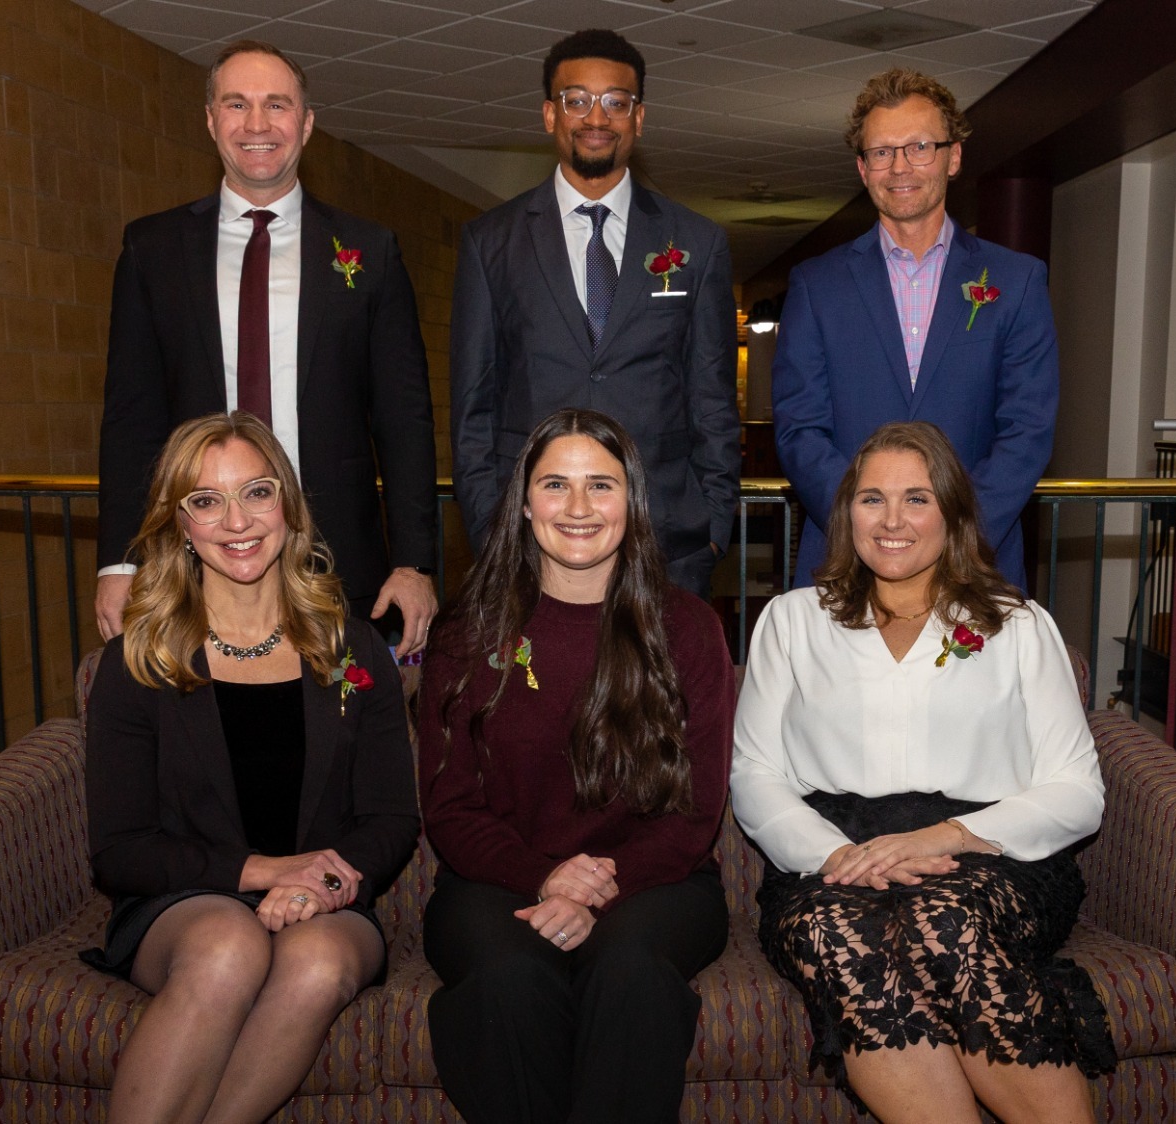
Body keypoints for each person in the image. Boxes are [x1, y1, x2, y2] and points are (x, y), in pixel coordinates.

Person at [730, 421, 1114, 1124]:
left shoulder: (1019, 625)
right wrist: (834, 854)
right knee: (840, 933)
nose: (893, 520)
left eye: (918, 498)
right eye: (872, 498)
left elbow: (1076, 790)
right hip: (833, 856)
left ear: (955, 514)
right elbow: (755, 771)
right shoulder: (791, 621)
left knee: (943, 919)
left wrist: (947, 836)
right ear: (847, 513)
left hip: (986, 853)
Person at [81, 412, 419, 1124]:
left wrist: (319, 883)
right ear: (180, 525)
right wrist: (266, 872)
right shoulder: (136, 663)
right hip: (182, 904)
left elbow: (391, 821)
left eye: (257, 493)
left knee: (318, 961)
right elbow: (121, 852)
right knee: (229, 945)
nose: (236, 520)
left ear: (289, 507)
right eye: (205, 501)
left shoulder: (353, 650)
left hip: (327, 904)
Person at [418, 408, 735, 1123]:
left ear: (633, 502)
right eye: (555, 484)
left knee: (626, 974)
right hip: (494, 881)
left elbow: (695, 810)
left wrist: (591, 889)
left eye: (602, 485)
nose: (580, 507)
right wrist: (545, 877)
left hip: (659, 880)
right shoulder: (466, 633)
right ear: (525, 505)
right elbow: (449, 806)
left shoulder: (687, 628)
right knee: (509, 977)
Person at [97, 40, 438, 654]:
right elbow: (131, 420)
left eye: (277, 105)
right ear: (211, 121)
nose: (257, 125)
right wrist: (120, 563)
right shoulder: (153, 251)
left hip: (339, 563)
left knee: (341, 735)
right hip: (192, 561)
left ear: (306, 124)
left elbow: (404, 417)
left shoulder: (371, 251)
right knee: (208, 739)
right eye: (237, 104)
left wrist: (415, 563)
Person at [449, 29, 740, 599]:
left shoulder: (698, 243)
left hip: (666, 543)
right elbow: (472, 410)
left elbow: (712, 400)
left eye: (615, 101)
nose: (596, 116)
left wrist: (713, 527)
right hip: (530, 545)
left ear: (639, 117)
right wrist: (491, 531)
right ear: (549, 115)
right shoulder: (490, 242)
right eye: (576, 100)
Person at [771, 68, 1057, 592]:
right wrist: (869, 529)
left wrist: (954, 534)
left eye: (919, 146)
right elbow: (799, 430)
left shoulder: (1017, 281)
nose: (899, 166)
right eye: (881, 152)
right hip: (845, 564)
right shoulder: (816, 284)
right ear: (862, 168)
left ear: (953, 157)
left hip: (975, 562)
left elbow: (1027, 429)